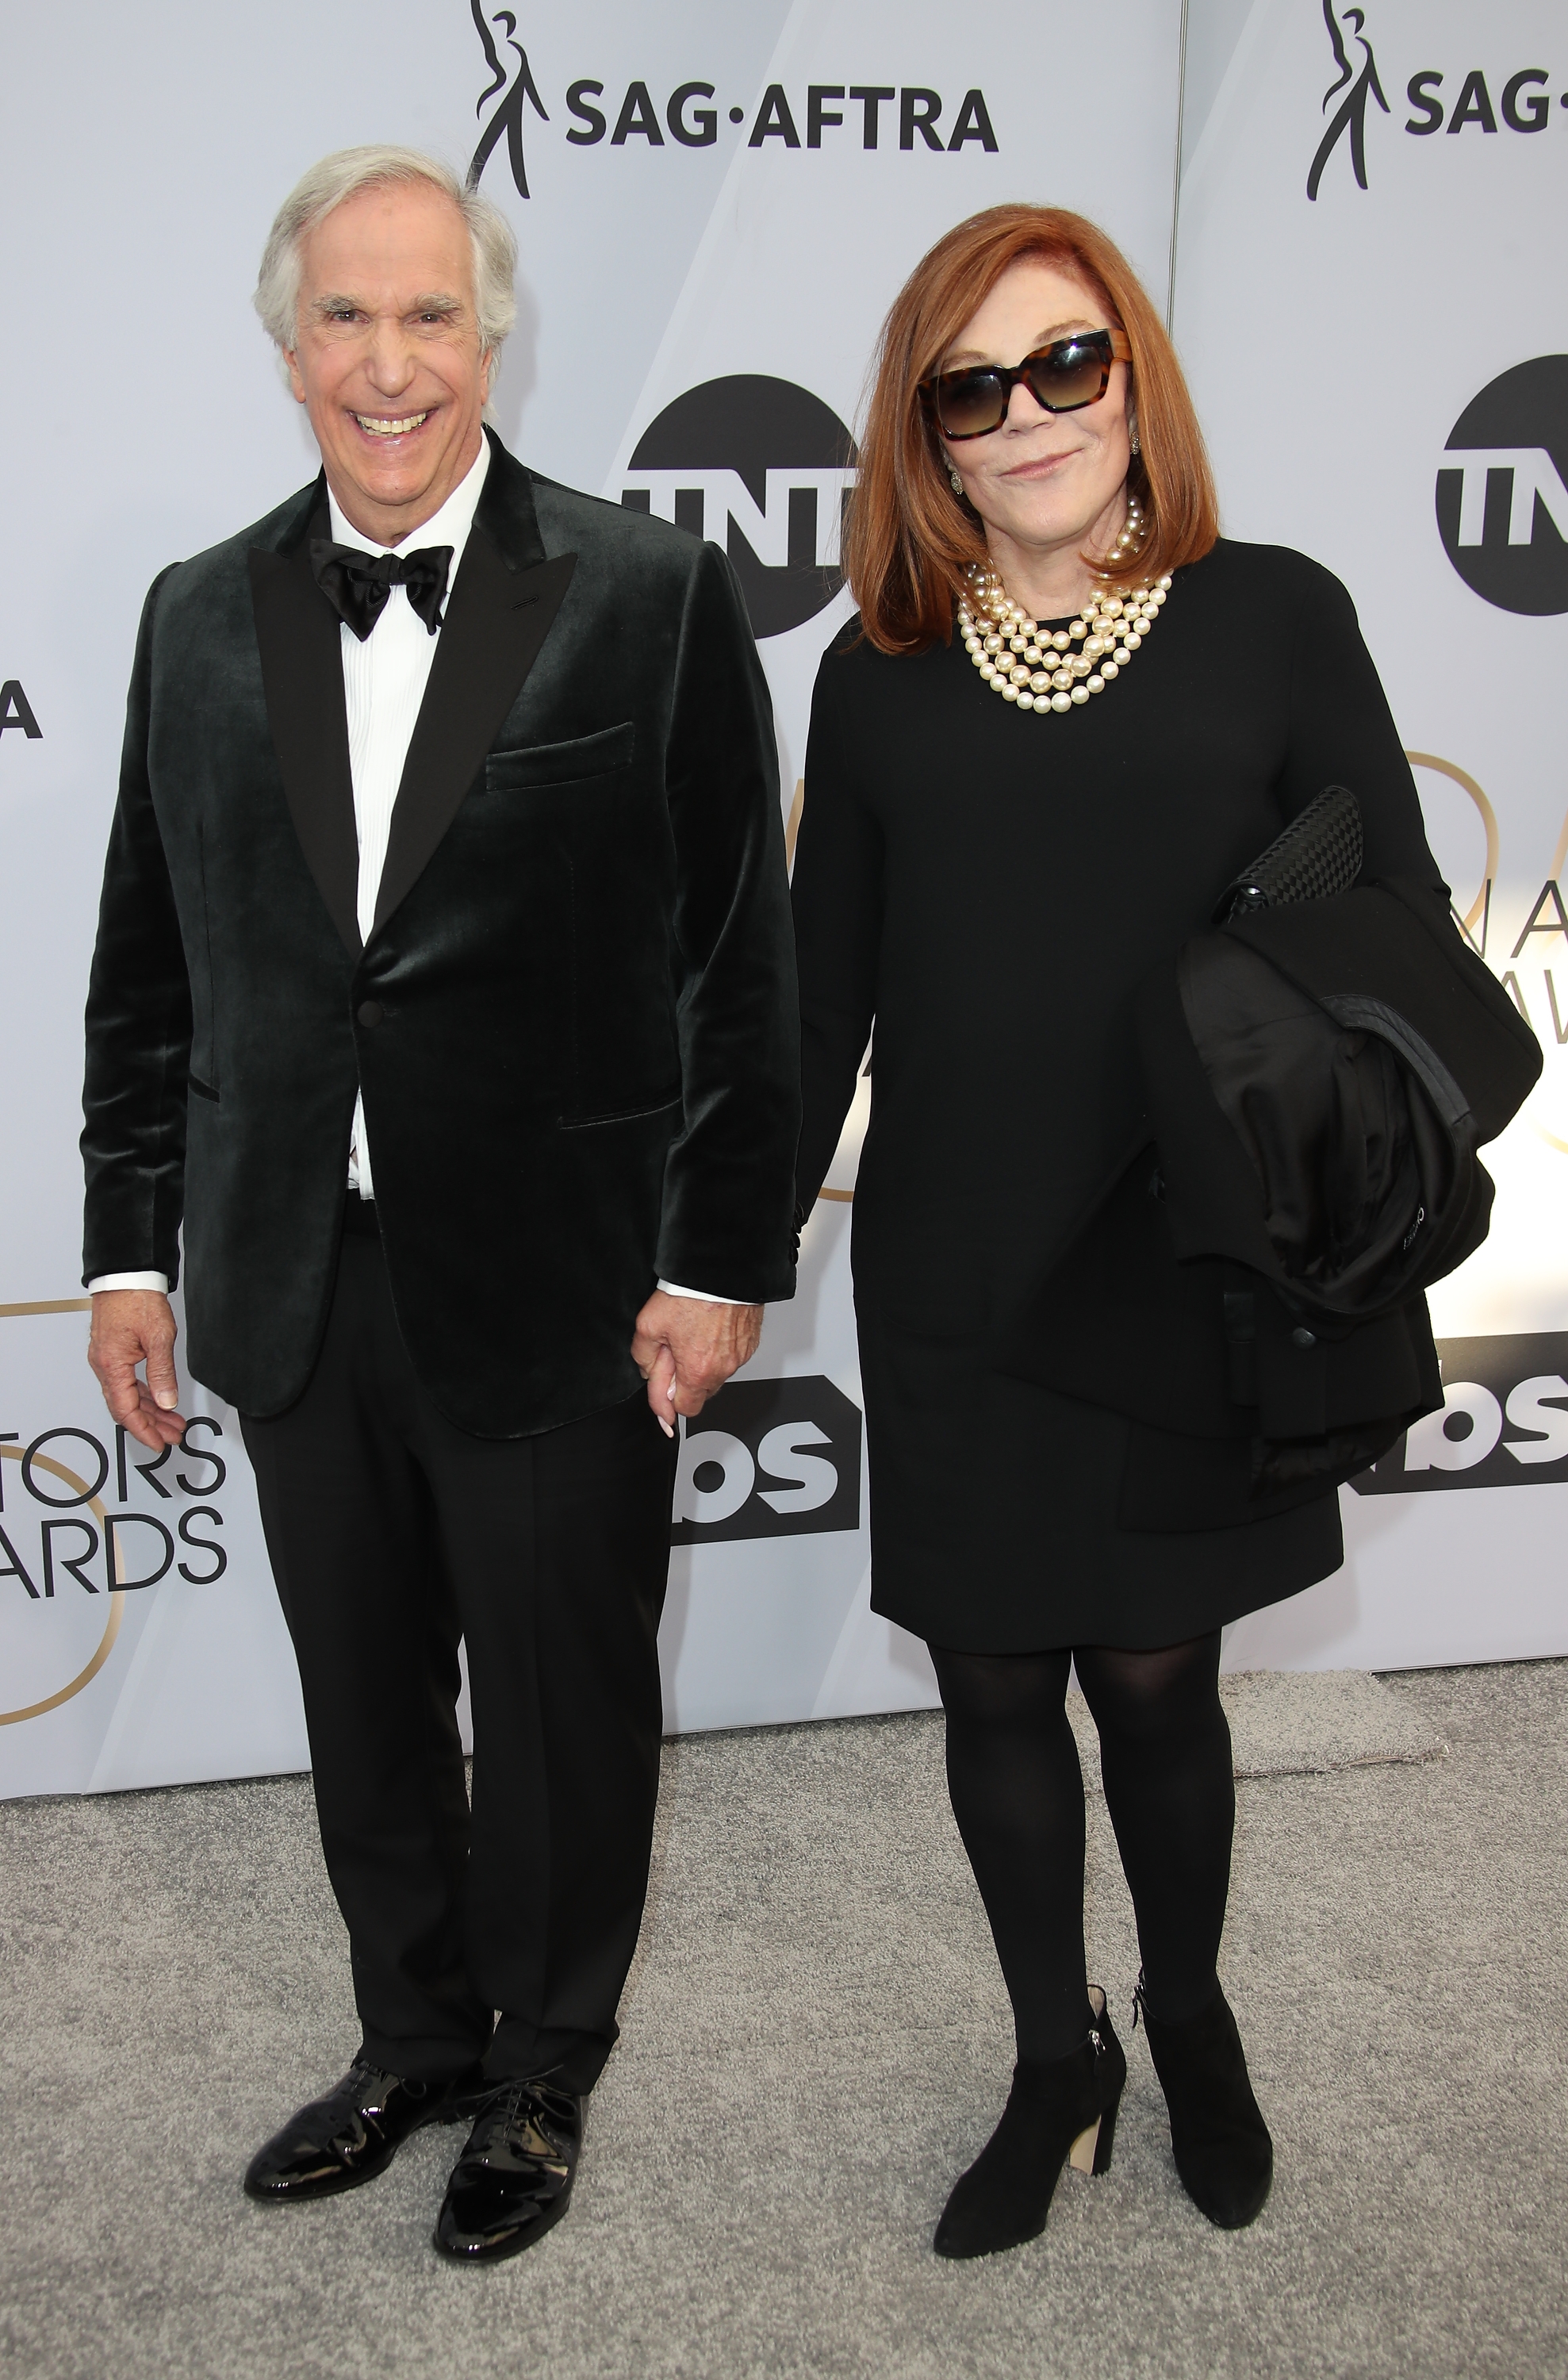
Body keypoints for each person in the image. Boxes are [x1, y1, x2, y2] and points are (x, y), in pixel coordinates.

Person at [81, 146, 799, 2266]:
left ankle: (544, 2070)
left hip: (564, 1278)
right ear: (287, 342)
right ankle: (413, 2033)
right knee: (361, 1689)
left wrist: (715, 1255)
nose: (386, 364)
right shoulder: (197, 612)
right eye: (344, 317)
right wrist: (137, 1241)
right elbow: (153, 953)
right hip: (299, 1263)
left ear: (491, 337)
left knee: (567, 1708)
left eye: (428, 316)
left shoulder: (644, 593)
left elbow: (733, 958)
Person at [789, 205, 1450, 2259]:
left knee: (1158, 1687)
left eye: (1065, 362)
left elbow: (1399, 936)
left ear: (1131, 372)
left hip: (1186, 1264)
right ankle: (1049, 2054)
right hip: (959, 1270)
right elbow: (823, 1000)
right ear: (930, 439)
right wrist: (708, 1265)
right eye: (971, 388)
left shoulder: (1272, 615)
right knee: (991, 1689)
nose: (1028, 415)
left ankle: (1186, 2009)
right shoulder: (875, 678)